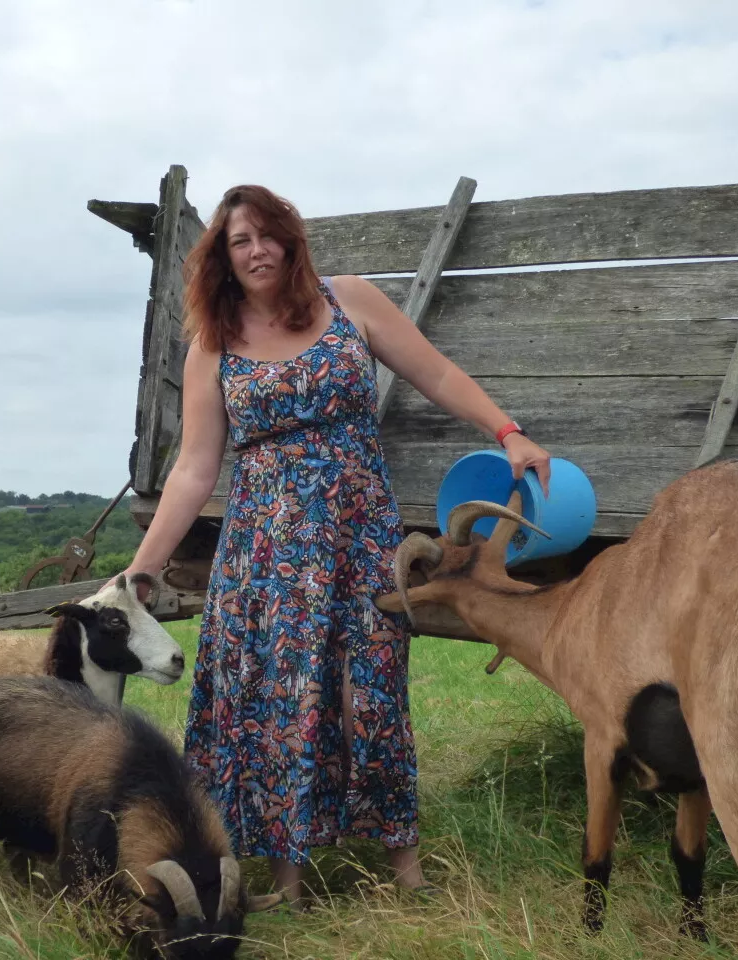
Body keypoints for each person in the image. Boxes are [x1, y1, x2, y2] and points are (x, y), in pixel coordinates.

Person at [123, 184, 552, 906]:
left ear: (290, 240)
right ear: (223, 259)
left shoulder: (347, 300)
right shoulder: (214, 346)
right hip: (267, 556)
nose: (256, 250)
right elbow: (196, 468)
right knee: (282, 701)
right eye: (239, 241)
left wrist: (507, 432)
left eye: (267, 234)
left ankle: (405, 865)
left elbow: (436, 371)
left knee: (371, 694)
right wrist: (145, 565)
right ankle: (287, 875)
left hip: (362, 541)